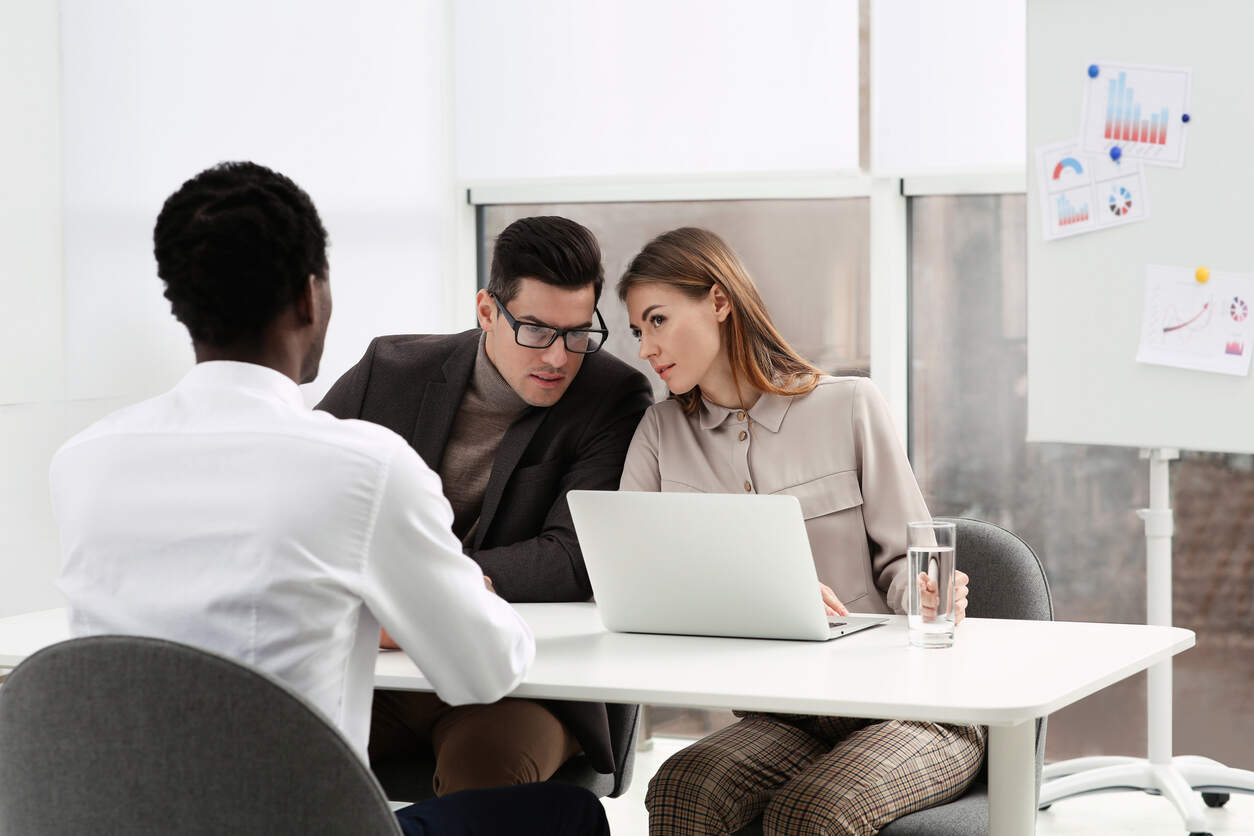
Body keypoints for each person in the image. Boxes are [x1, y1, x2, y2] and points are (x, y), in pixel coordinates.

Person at [50, 161, 609, 836]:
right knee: (567, 812)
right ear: (313, 298)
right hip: (302, 824)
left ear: (180, 303)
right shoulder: (362, 469)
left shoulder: (82, 463)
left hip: (121, 822)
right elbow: (483, 671)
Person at [617, 227, 982, 836]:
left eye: (657, 320)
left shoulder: (849, 405)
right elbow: (636, 582)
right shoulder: (658, 434)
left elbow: (909, 563)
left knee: (810, 814)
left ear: (719, 301)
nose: (646, 348)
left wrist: (925, 593)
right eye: (637, 331)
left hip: (909, 710)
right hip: (782, 718)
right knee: (683, 787)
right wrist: (753, 594)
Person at [317, 216, 652, 795]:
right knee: (264, 742)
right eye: (536, 330)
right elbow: (301, 491)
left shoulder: (612, 396)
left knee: (487, 775)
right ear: (487, 311)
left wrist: (427, 587)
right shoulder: (389, 371)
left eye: (578, 333)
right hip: (380, 671)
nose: (558, 357)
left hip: (519, 684)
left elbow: (575, 558)